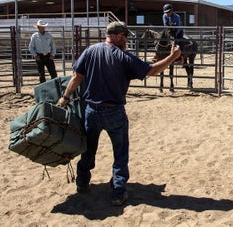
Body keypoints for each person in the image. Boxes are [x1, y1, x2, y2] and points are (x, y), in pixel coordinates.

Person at [58, 21, 181, 206]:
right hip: (114, 111)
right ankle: (118, 192)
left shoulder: (90, 51)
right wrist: (173, 56)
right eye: (125, 37)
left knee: (88, 148)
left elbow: (76, 77)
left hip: (91, 109)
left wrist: (65, 97)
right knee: (120, 152)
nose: (126, 40)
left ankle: (82, 182)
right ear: (117, 36)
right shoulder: (123, 57)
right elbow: (153, 70)